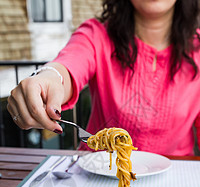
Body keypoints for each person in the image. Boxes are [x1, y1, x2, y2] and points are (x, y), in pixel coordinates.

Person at [7, 0, 200, 155]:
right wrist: (48, 78)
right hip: (97, 175)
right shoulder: (97, 35)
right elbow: (69, 64)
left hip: (174, 178)